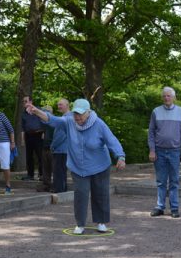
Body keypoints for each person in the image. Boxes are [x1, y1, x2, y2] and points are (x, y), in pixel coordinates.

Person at [25, 98, 126, 234]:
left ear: (88, 112)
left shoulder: (99, 124)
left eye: (80, 114)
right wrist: (36, 111)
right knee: (81, 194)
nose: (77, 117)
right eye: (75, 113)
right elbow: (52, 119)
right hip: (78, 166)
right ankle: (80, 224)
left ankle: (101, 222)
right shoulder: (69, 122)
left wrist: (120, 156)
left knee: (100, 193)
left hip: (99, 165)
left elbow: (111, 140)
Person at [148, 86, 181, 218]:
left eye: (169, 96)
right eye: (164, 96)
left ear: (174, 98)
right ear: (162, 98)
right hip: (159, 151)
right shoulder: (156, 111)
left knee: (174, 181)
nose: (166, 98)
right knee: (160, 181)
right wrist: (152, 150)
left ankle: (174, 208)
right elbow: (151, 133)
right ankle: (160, 207)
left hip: (175, 151)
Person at [21, 96, 43, 180]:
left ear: (31, 101)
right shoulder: (24, 114)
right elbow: (23, 127)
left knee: (40, 155)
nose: (24, 103)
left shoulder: (38, 110)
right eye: (23, 101)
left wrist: (44, 132)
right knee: (29, 156)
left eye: (26, 101)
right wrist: (22, 139)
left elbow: (44, 121)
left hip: (38, 134)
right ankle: (30, 175)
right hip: (28, 135)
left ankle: (42, 174)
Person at [50, 98, 70, 193]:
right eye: (58, 104)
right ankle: (63, 188)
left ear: (67, 105)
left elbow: (61, 136)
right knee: (62, 171)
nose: (59, 106)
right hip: (65, 149)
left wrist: (53, 146)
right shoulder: (69, 117)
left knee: (58, 171)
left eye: (61, 104)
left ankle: (59, 190)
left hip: (60, 149)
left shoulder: (65, 119)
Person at [36, 105, 54, 192]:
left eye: (43, 112)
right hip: (45, 147)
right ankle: (46, 185)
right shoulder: (44, 123)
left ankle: (55, 186)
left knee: (53, 167)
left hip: (52, 148)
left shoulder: (54, 122)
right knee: (45, 168)